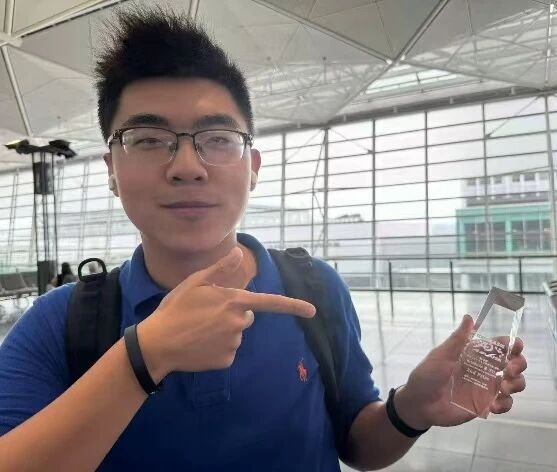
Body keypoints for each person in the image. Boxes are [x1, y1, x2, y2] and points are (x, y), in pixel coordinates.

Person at [0, 7, 527, 471]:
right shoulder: (57, 325)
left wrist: (410, 408)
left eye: (217, 139)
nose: (187, 166)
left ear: (252, 167)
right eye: (148, 139)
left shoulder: (314, 290)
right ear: (111, 171)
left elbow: (358, 445)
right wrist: (143, 358)